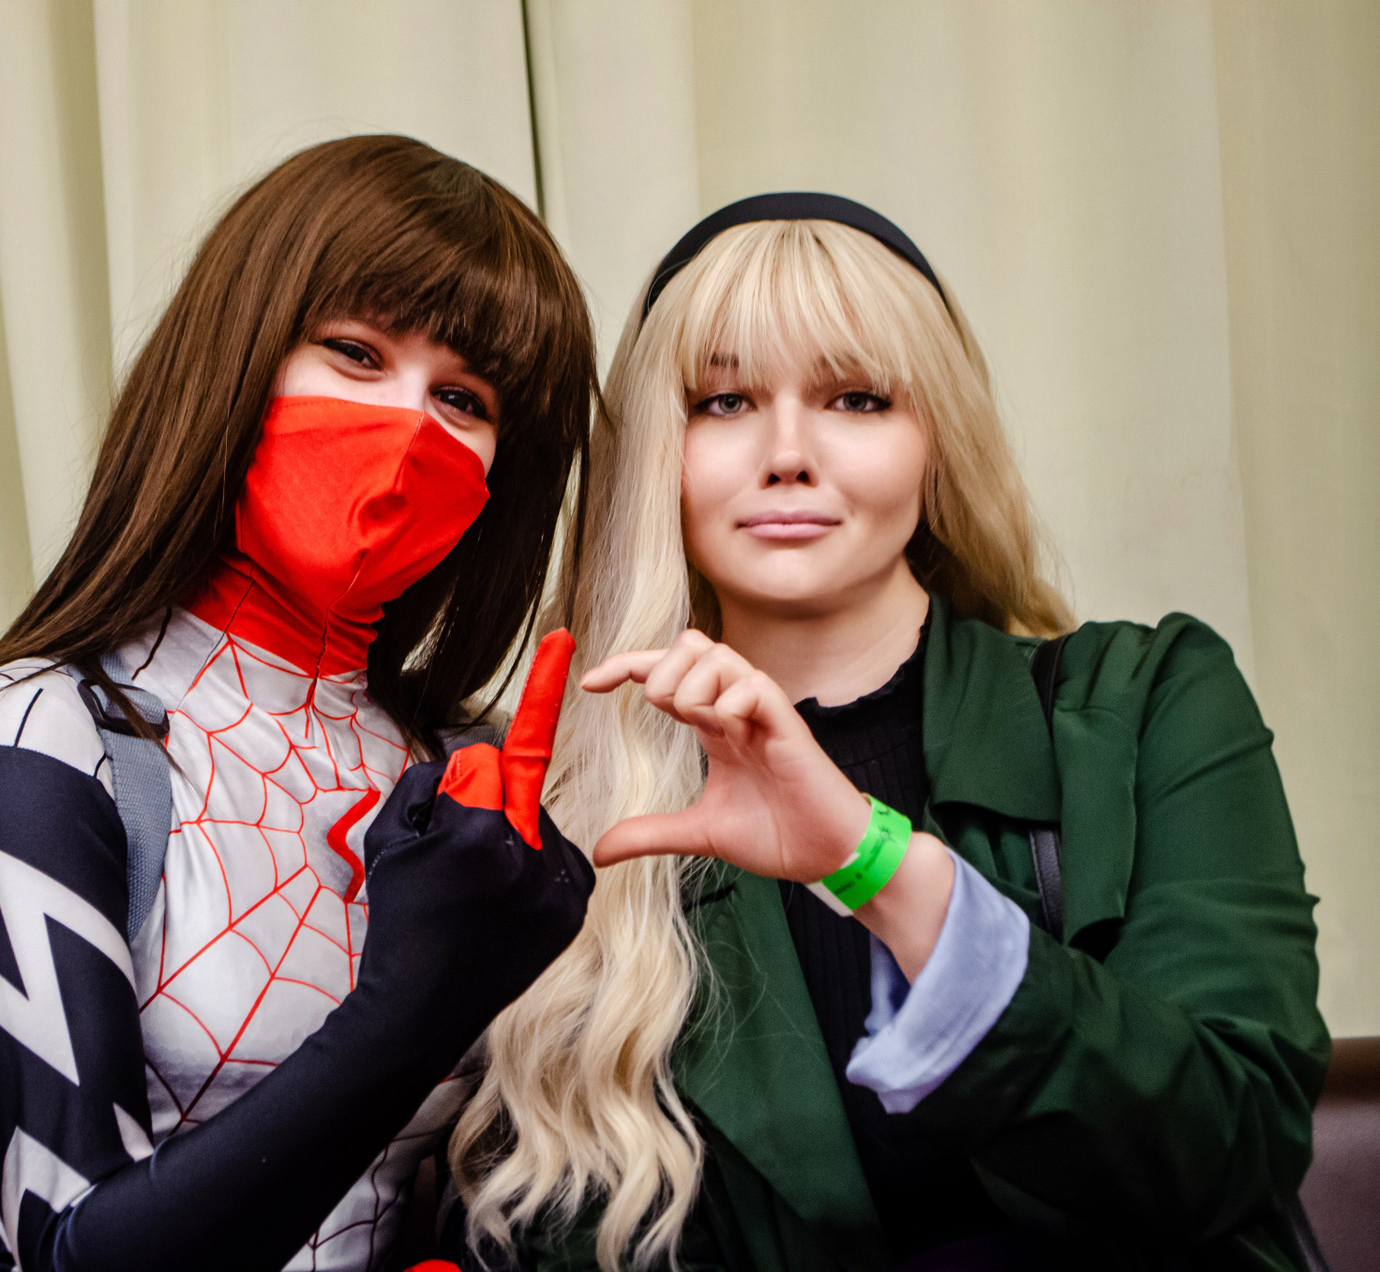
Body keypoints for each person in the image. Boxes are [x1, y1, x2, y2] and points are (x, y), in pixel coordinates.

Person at [446, 195, 1330, 1270]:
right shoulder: (558, 798)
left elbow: (1231, 1144)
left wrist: (869, 862)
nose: (787, 454)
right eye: (723, 401)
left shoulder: (1148, 703)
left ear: (935, 440)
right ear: (654, 455)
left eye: (856, 398)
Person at [0, 136, 599, 1272]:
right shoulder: (38, 740)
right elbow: (69, 1250)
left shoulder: (461, 763)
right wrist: (417, 1003)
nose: (406, 430)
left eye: (462, 398)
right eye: (353, 352)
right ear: (238, 354)